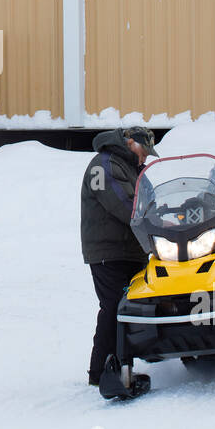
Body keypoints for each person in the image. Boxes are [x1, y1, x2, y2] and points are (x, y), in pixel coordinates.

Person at [81, 125, 158, 386]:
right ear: (129, 142)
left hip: (132, 251)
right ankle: (101, 372)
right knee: (114, 308)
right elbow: (124, 205)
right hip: (109, 252)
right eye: (144, 150)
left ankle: (124, 364)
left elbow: (150, 201)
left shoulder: (134, 169)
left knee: (135, 306)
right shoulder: (102, 166)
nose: (146, 157)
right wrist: (154, 223)